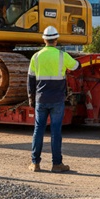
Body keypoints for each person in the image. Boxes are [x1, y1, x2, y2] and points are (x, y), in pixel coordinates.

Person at [28, 26, 79, 173]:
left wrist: (31, 98)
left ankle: (35, 163)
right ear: (56, 40)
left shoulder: (36, 57)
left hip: (41, 99)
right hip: (57, 99)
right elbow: (76, 66)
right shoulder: (62, 55)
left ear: (44, 40)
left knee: (38, 130)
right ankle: (57, 164)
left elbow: (30, 80)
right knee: (56, 131)